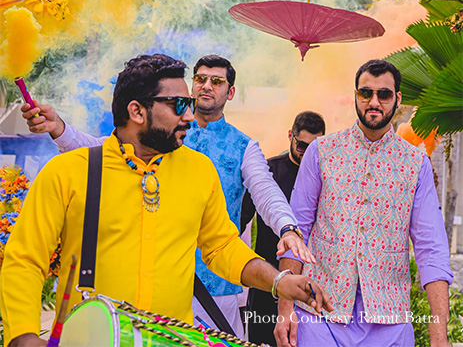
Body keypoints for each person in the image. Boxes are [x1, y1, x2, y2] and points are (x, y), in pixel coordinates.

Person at [1, 54, 332, 347]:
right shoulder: (69, 172)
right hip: (89, 337)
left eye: (190, 103)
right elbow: (25, 259)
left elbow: (223, 246)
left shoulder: (200, 169)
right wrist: (23, 335)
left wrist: (278, 278)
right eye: (179, 105)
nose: (188, 115)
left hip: (179, 332)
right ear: (137, 111)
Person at [275, 59, 453, 347]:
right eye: (366, 93)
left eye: (384, 94)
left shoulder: (415, 163)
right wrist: (285, 310)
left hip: (390, 322)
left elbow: (430, 249)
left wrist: (439, 337)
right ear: (356, 95)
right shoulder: (322, 152)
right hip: (319, 314)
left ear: (397, 99)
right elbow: (297, 232)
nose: (374, 102)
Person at [241, 111, 326, 346]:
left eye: (314, 147)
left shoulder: (326, 175)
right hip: (267, 278)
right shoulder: (269, 171)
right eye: (301, 145)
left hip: (309, 283)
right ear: (290, 136)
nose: (306, 152)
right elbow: (241, 219)